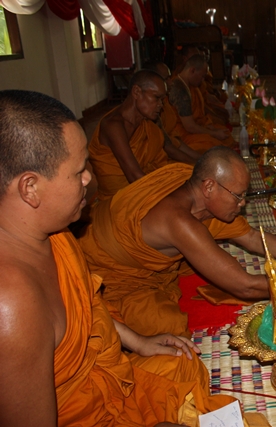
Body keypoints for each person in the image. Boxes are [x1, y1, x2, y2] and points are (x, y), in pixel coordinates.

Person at [0, 90, 241, 426]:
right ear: (30, 188)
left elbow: (86, 309)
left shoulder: (56, 235)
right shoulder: (11, 305)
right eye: (78, 171)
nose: (89, 179)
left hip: (104, 383)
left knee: (183, 363)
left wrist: (139, 342)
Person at [78, 147, 276, 338]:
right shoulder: (179, 220)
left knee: (204, 265)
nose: (242, 204)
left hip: (134, 253)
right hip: (103, 271)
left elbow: (252, 238)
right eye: (238, 196)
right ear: (209, 186)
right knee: (170, 329)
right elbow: (245, 286)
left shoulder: (193, 190)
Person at [89, 70, 199, 200]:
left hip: (148, 181)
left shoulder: (147, 123)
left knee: (194, 177)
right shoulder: (113, 126)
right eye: (157, 98)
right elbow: (135, 176)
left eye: (162, 100)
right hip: (121, 198)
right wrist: (175, 196)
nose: (161, 105)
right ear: (136, 92)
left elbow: (165, 151)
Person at [164, 54, 235, 154]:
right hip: (183, 135)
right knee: (215, 146)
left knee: (226, 136)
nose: (202, 80)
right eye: (202, 76)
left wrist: (208, 128)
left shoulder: (190, 86)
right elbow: (189, 126)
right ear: (192, 70)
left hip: (194, 128)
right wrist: (213, 133)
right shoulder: (180, 89)